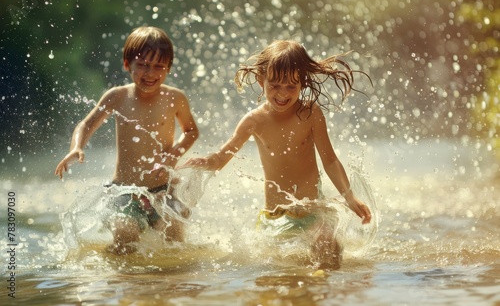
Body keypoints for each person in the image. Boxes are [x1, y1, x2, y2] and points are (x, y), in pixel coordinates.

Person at [180, 40, 372, 269]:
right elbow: (222, 157)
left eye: (291, 86)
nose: (282, 93)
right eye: (275, 85)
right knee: (276, 270)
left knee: (328, 245)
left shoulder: (310, 113)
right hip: (275, 216)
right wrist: (207, 161)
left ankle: (320, 288)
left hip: (312, 210)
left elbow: (330, 160)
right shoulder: (254, 120)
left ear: (303, 83)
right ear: (261, 81)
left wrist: (349, 196)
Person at [55, 26, 199, 254]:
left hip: (163, 190)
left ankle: (173, 286)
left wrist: (175, 154)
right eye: (142, 65)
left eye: (158, 66)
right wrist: (76, 148)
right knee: (125, 237)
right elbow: (86, 124)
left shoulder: (175, 98)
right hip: (124, 191)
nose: (150, 73)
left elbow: (191, 131)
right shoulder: (118, 96)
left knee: (174, 241)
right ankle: (120, 279)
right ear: (127, 63)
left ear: (168, 68)